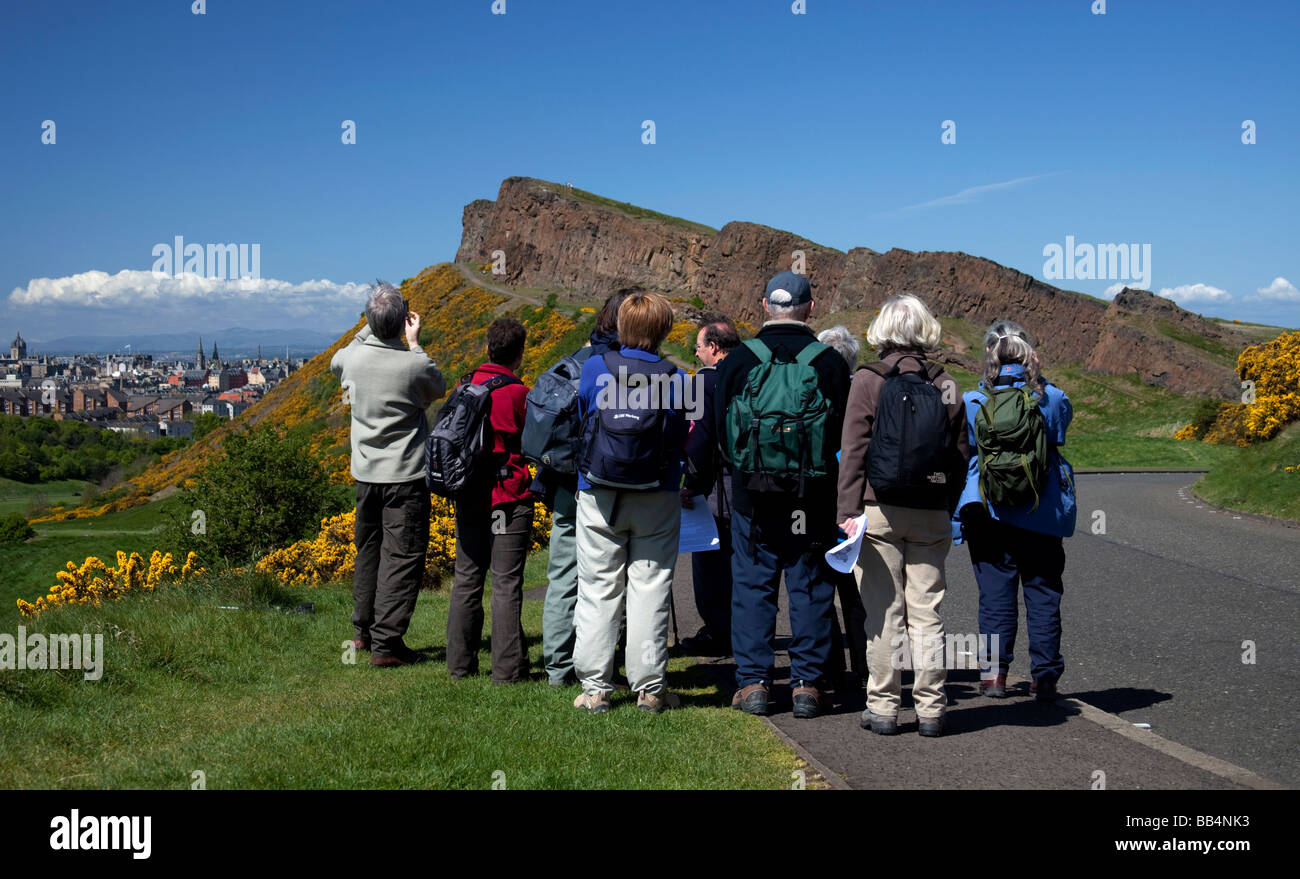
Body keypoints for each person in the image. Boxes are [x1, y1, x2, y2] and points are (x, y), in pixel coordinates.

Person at [715, 271, 851, 719]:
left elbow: (722, 434)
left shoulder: (737, 362)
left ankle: (753, 683)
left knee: (752, 587)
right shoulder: (829, 363)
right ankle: (807, 687)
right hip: (810, 499)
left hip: (753, 498)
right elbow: (843, 437)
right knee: (810, 588)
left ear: (764, 306)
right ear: (811, 307)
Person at [838, 294, 970, 736]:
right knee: (927, 612)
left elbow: (854, 451)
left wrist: (847, 509)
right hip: (931, 512)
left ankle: (884, 708)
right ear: (924, 331)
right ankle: (932, 709)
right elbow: (960, 455)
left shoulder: (868, 380)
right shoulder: (947, 383)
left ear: (883, 331)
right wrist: (946, 506)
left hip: (880, 510)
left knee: (885, 612)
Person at [572, 291, 689, 713]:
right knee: (650, 588)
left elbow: (584, 415)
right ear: (663, 330)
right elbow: (681, 436)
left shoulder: (593, 369)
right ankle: (650, 689)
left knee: (599, 587)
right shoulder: (677, 378)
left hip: (599, 491)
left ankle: (595, 688)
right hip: (656, 493)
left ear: (621, 327)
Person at [954, 321, 1076, 702]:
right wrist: (1036, 375)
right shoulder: (1052, 398)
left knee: (995, 595)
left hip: (988, 509)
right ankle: (1045, 677)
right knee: (1042, 591)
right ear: (1029, 356)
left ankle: (994, 676)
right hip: (1042, 509)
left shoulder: (974, 402)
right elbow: (1061, 428)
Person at [330, 280, 446, 667]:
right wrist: (413, 342)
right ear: (402, 323)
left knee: (369, 551)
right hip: (406, 476)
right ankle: (388, 644)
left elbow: (338, 359)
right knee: (403, 555)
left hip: (365, 475)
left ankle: (362, 632)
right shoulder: (413, 365)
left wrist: (372, 325)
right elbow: (437, 386)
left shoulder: (352, 360)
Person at [538, 288, 636, 687]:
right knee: (614, 577)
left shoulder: (576, 361)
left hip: (563, 480)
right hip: (606, 483)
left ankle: (558, 666)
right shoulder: (623, 367)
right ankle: (610, 661)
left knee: (563, 574)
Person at [445, 318, 535, 683]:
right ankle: (507, 671)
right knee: (506, 584)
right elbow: (532, 442)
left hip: (469, 493)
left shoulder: (464, 386)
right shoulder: (519, 394)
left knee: (466, 579)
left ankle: (460, 666)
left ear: (487, 349)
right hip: (508, 498)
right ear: (519, 354)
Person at [680, 315, 740, 657]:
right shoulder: (752, 371)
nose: (697, 353)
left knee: (709, 561)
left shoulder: (703, 382)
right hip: (753, 480)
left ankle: (717, 631)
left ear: (714, 347)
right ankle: (742, 629)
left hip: (717, 485)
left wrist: (693, 483)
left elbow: (699, 438)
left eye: (699, 347)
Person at [817, 325, 867, 688]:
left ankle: (829, 668)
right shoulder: (865, 391)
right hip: (859, 501)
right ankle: (867, 668)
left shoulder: (814, 390)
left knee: (820, 588)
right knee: (858, 592)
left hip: (820, 497)